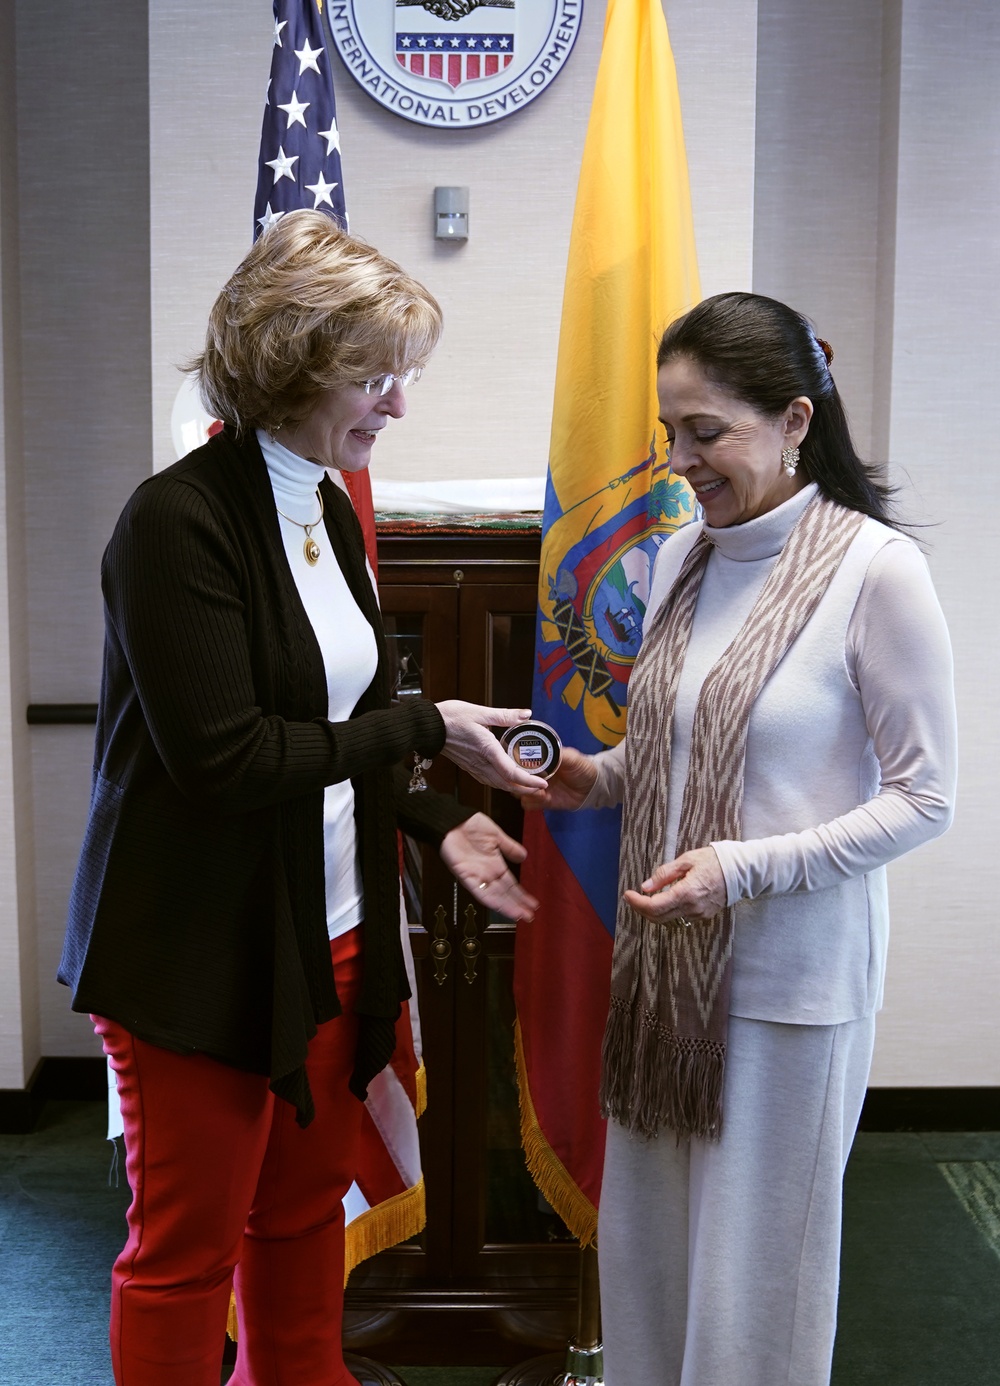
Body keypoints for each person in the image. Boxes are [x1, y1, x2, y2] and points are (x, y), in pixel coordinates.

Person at [58, 209, 544, 1386]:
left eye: (401, 374)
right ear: (292, 365)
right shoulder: (175, 521)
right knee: (184, 1256)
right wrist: (426, 728)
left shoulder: (325, 503)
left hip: (331, 932)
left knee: (295, 1225)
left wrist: (436, 816)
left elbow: (338, 727)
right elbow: (228, 759)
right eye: (376, 375)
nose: (396, 404)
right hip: (197, 955)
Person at [523, 292, 957, 1386]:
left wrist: (742, 870)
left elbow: (923, 797)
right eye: (671, 431)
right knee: (652, 1278)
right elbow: (667, 754)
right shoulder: (680, 557)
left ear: (795, 420)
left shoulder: (875, 571)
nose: (680, 460)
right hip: (664, 982)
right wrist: (586, 779)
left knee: (753, 1299)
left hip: (786, 991)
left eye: (705, 431)